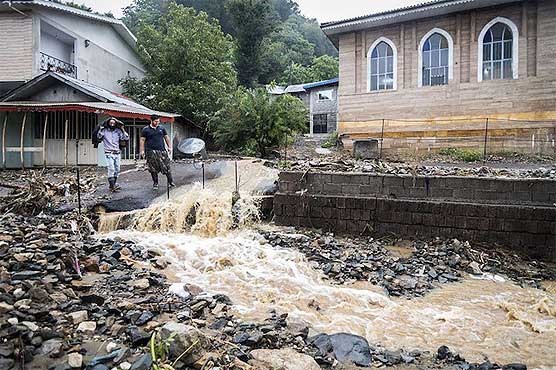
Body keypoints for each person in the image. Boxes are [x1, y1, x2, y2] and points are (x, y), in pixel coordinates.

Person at [140, 114, 175, 190]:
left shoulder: (161, 128)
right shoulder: (145, 129)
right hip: (150, 151)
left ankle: (170, 182)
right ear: (151, 120)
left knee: (167, 167)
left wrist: (169, 147)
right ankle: (155, 183)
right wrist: (142, 150)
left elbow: (166, 137)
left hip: (162, 151)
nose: (157, 123)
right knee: (153, 169)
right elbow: (142, 140)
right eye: (156, 121)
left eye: (158, 121)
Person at [97, 117, 129, 192]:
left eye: (113, 123)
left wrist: (123, 129)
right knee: (111, 168)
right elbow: (99, 136)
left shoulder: (118, 131)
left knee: (117, 169)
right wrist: (100, 129)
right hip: (108, 153)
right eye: (111, 123)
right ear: (108, 123)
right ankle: (112, 186)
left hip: (117, 152)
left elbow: (126, 137)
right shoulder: (104, 131)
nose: (112, 124)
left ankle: (113, 185)